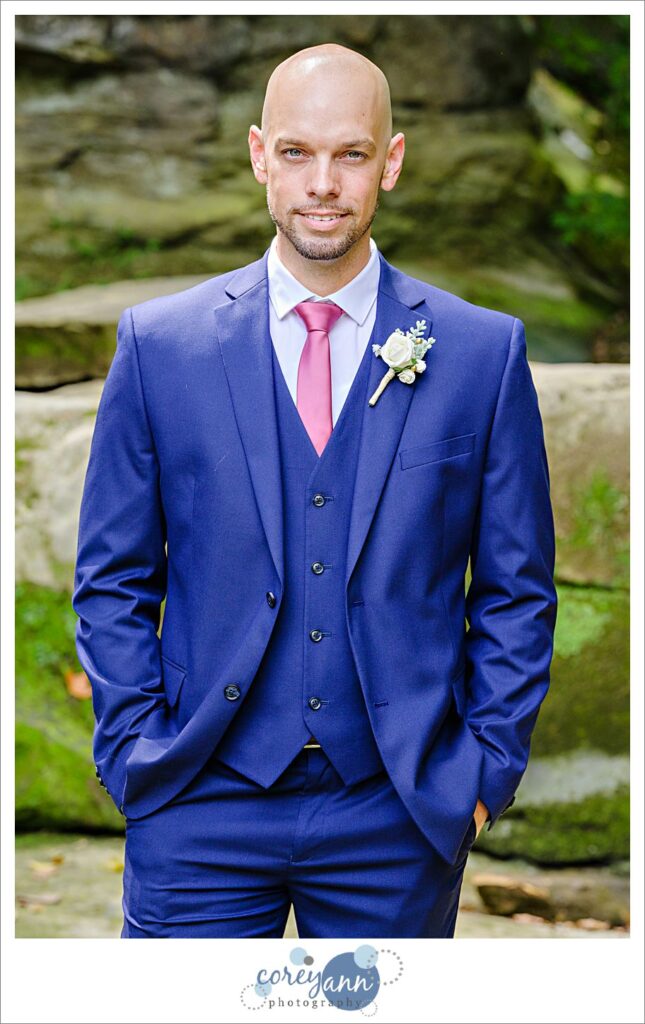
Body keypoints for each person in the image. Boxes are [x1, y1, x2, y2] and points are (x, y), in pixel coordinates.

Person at [72, 42, 557, 939]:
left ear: (392, 162)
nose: (322, 183)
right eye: (296, 153)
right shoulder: (159, 347)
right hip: (199, 804)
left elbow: (516, 590)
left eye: (351, 154)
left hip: (397, 813)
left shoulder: (482, 354)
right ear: (260, 155)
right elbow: (112, 577)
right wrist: (133, 753)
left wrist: (480, 777)